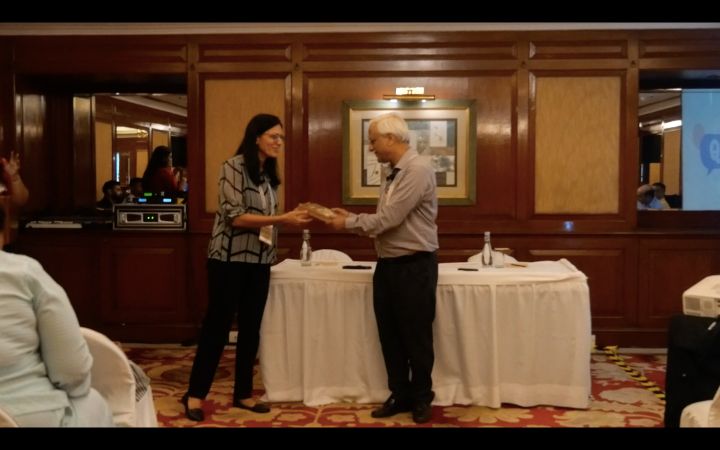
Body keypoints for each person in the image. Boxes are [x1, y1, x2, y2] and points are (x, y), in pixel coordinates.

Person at [182, 113, 312, 421]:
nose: (279, 142)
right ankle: (195, 395)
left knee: (251, 329)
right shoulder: (233, 167)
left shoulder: (268, 175)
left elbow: (264, 220)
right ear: (256, 137)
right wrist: (283, 219)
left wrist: (285, 220)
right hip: (228, 260)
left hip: (260, 261)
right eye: (274, 136)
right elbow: (235, 217)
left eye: (281, 138)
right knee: (217, 328)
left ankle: (243, 394)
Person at [325, 113, 439, 424]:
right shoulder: (392, 172)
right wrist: (350, 218)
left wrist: (347, 223)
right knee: (390, 336)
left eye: (373, 140)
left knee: (416, 337)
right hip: (388, 266)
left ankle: (421, 397)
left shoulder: (417, 169)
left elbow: (389, 219)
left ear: (391, 138)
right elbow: (386, 218)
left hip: (414, 266)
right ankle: (399, 394)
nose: (371, 146)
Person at [0, 207, 115, 427]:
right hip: (27, 413)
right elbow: (72, 372)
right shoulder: (24, 273)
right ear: (3, 232)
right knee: (94, 403)